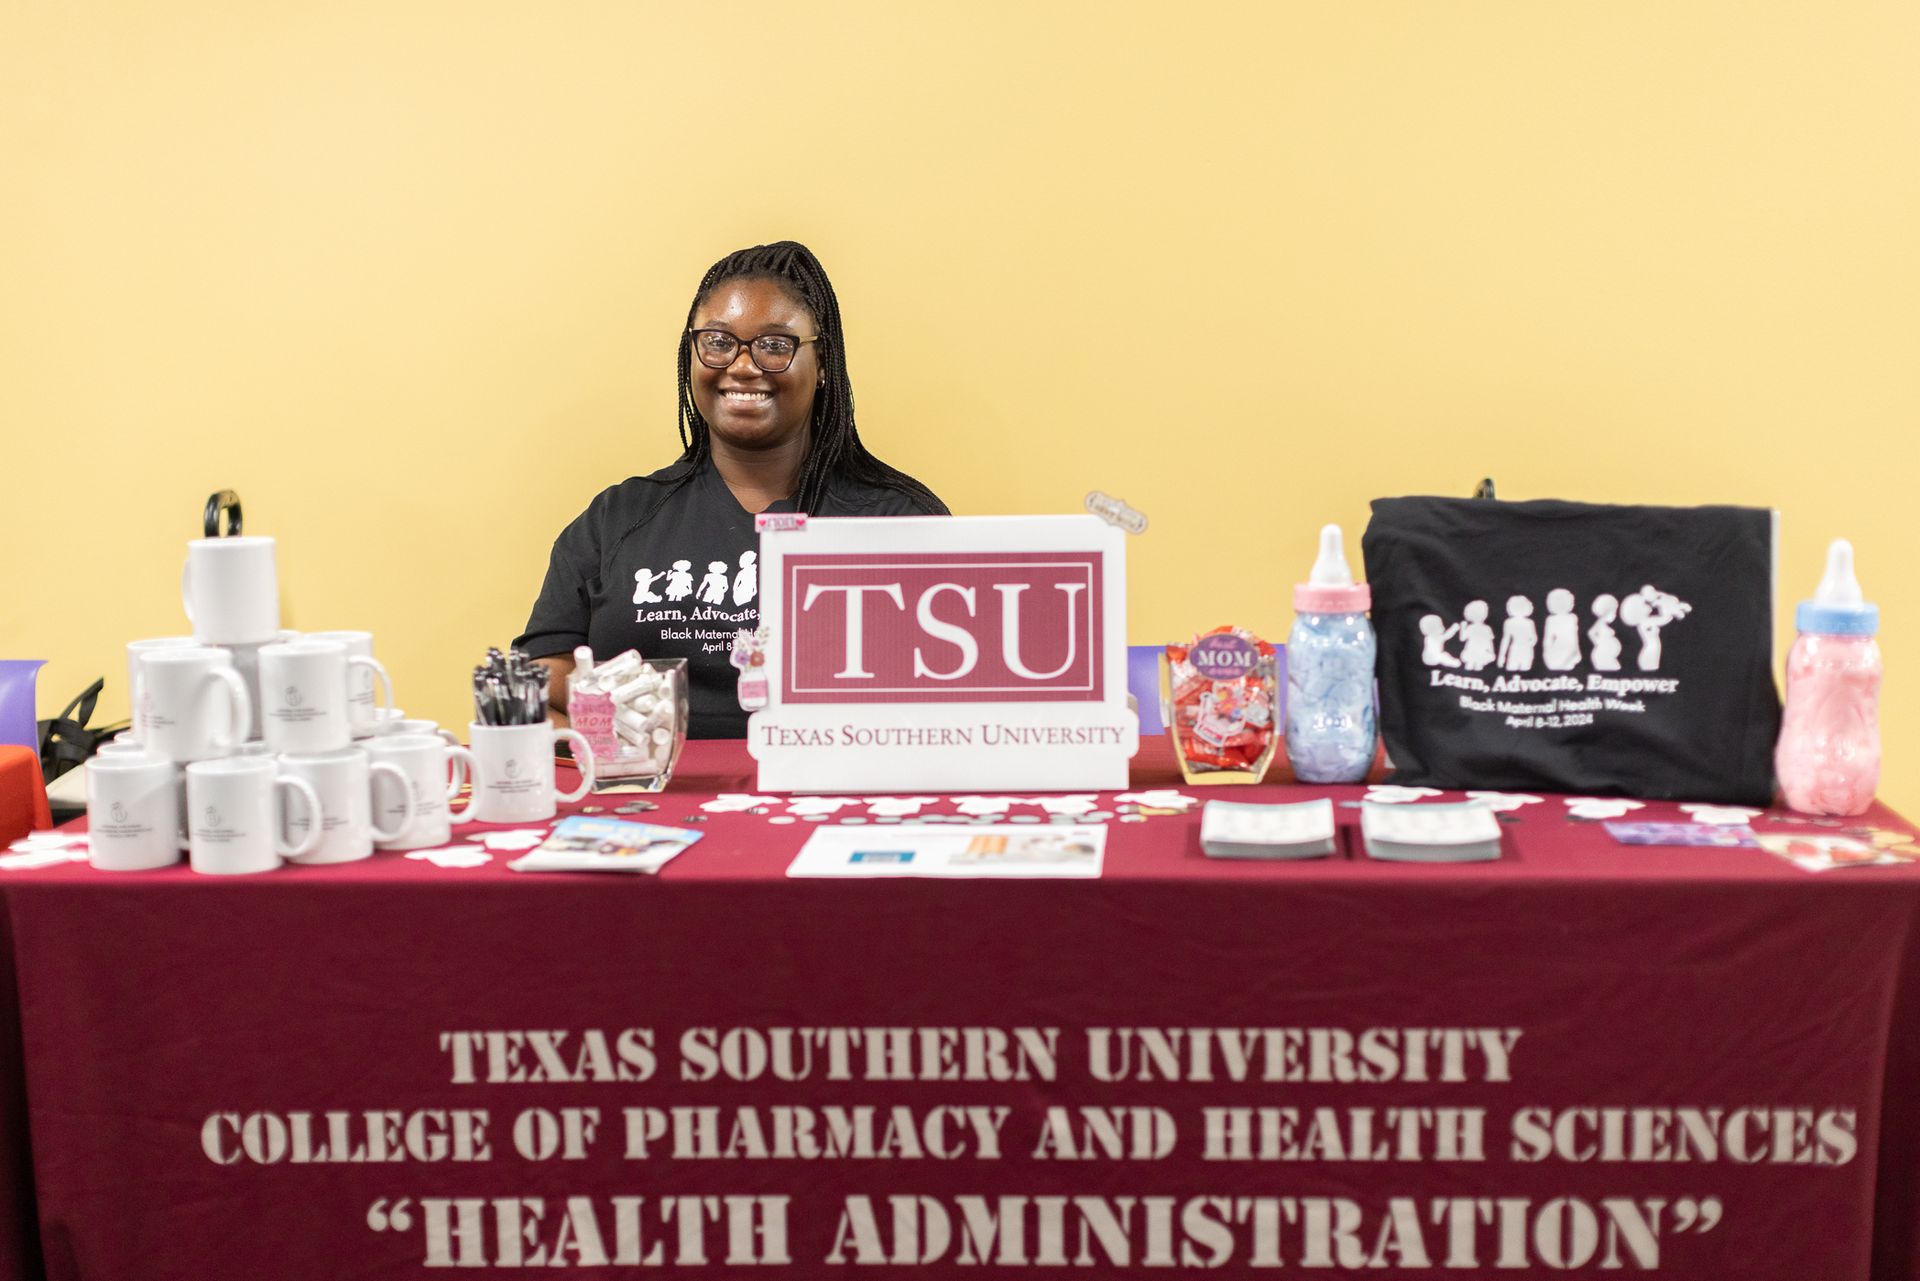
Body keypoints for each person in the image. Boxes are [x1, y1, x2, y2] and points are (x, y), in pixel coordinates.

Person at [515, 241, 948, 737]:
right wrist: (611, 712)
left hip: (826, 798)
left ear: (824, 363)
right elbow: (537, 675)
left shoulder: (898, 521)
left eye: (774, 345)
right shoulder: (618, 517)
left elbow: (949, 700)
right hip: (646, 798)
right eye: (718, 341)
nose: (743, 366)